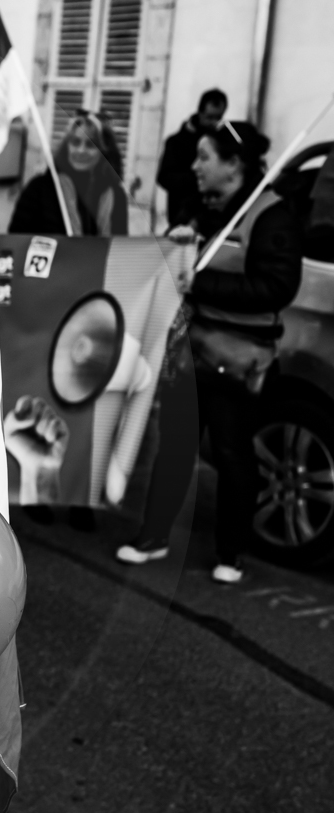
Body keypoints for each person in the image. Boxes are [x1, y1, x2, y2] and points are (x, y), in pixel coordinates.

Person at [117, 120, 303, 583]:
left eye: (204, 157)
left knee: (232, 454)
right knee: (174, 447)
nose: (195, 167)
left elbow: (277, 286)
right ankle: (153, 537)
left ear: (233, 164)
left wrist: (200, 281)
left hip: (237, 361)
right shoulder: (204, 209)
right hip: (188, 352)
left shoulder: (272, 216)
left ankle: (229, 554)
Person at [9, 109, 129, 236]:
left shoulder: (116, 195)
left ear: (104, 151)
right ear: (67, 146)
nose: (81, 150)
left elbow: (120, 246)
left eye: (91, 144)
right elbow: (16, 240)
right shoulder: (39, 188)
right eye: (75, 142)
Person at [157, 89, 227, 227]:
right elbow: (164, 177)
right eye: (210, 117)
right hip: (182, 217)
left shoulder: (221, 143)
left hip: (210, 219)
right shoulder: (176, 142)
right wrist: (199, 178)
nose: (214, 123)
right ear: (200, 113)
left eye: (219, 118)